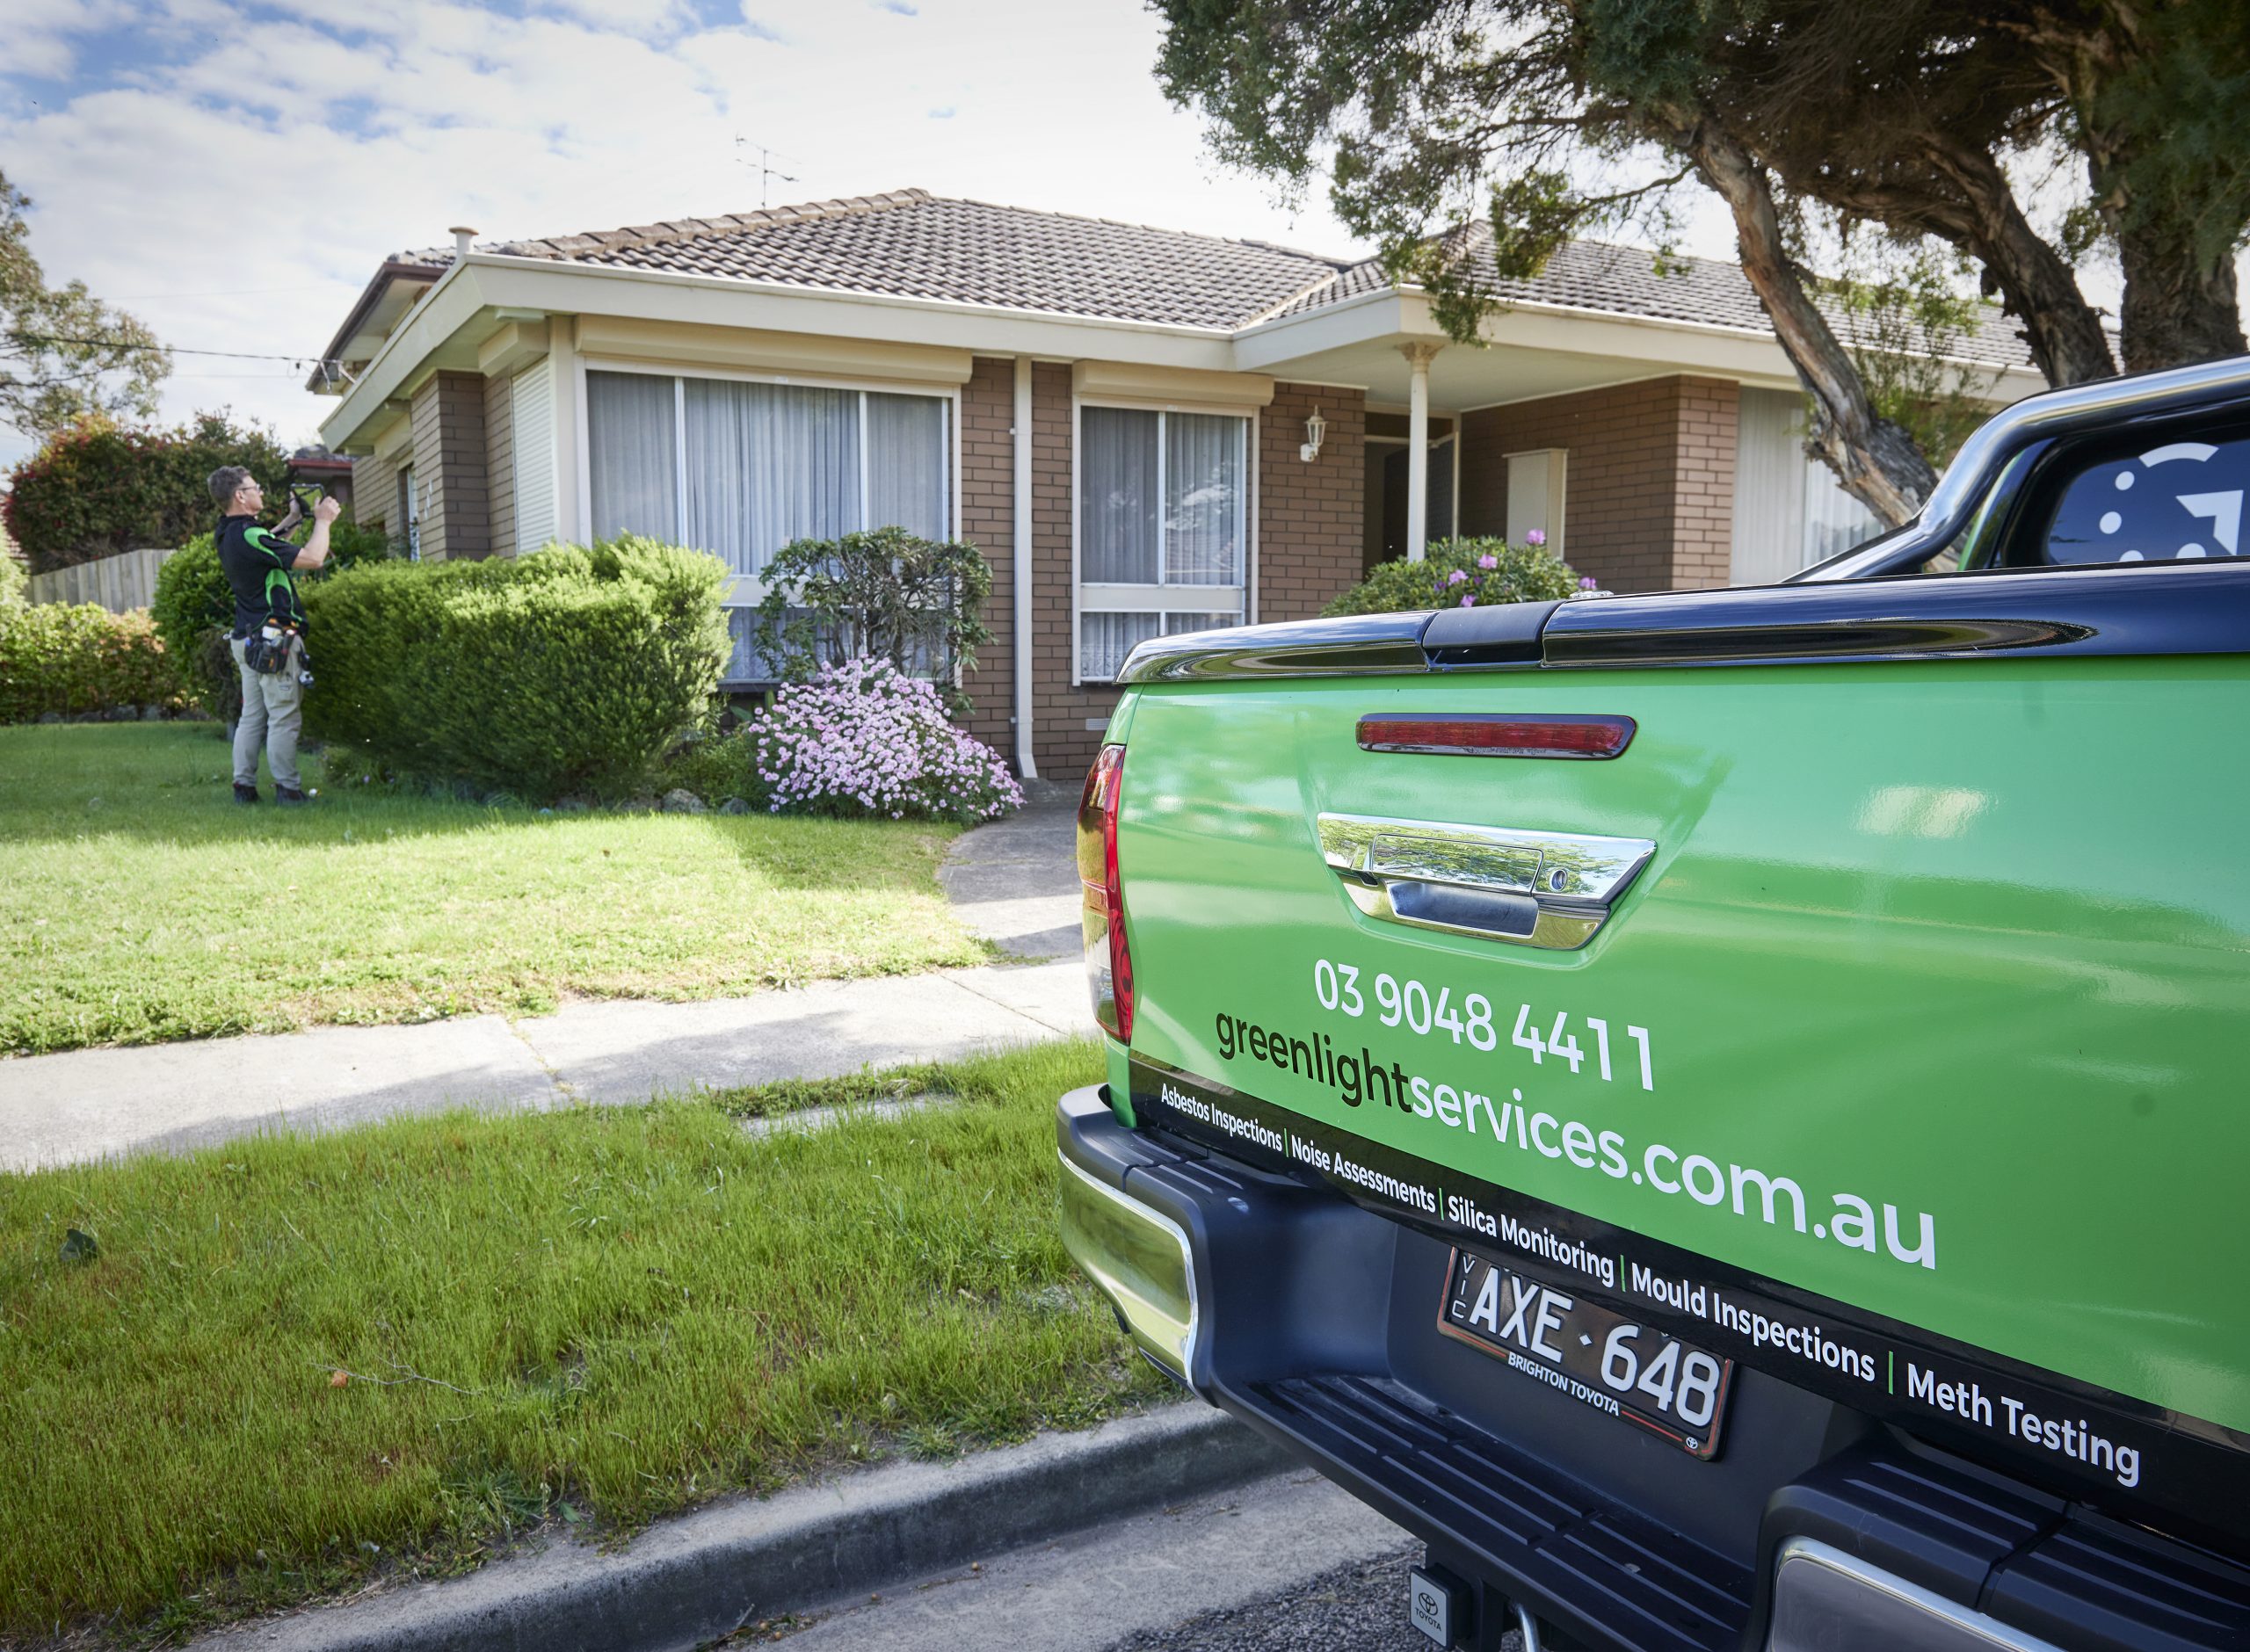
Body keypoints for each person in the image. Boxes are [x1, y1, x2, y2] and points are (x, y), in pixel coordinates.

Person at [208, 466, 339, 804]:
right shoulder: (250, 535)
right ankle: (288, 790)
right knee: (283, 715)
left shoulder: (229, 533)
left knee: (252, 714)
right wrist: (322, 521)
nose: (261, 492)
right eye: (256, 488)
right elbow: (312, 558)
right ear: (240, 495)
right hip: (274, 639)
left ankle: (244, 787)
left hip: (246, 637)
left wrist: (294, 519)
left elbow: (269, 542)